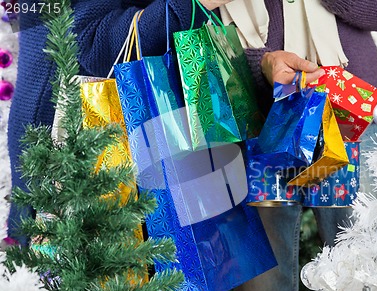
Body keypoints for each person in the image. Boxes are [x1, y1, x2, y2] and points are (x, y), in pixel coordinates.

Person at [217, 1, 377, 291]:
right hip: (254, 116)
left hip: (352, 110)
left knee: (368, 285)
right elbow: (183, 18)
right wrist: (260, 63)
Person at [7, 0, 232, 245]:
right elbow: (93, 44)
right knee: (112, 267)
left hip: (121, 126)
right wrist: (193, 4)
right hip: (79, 137)